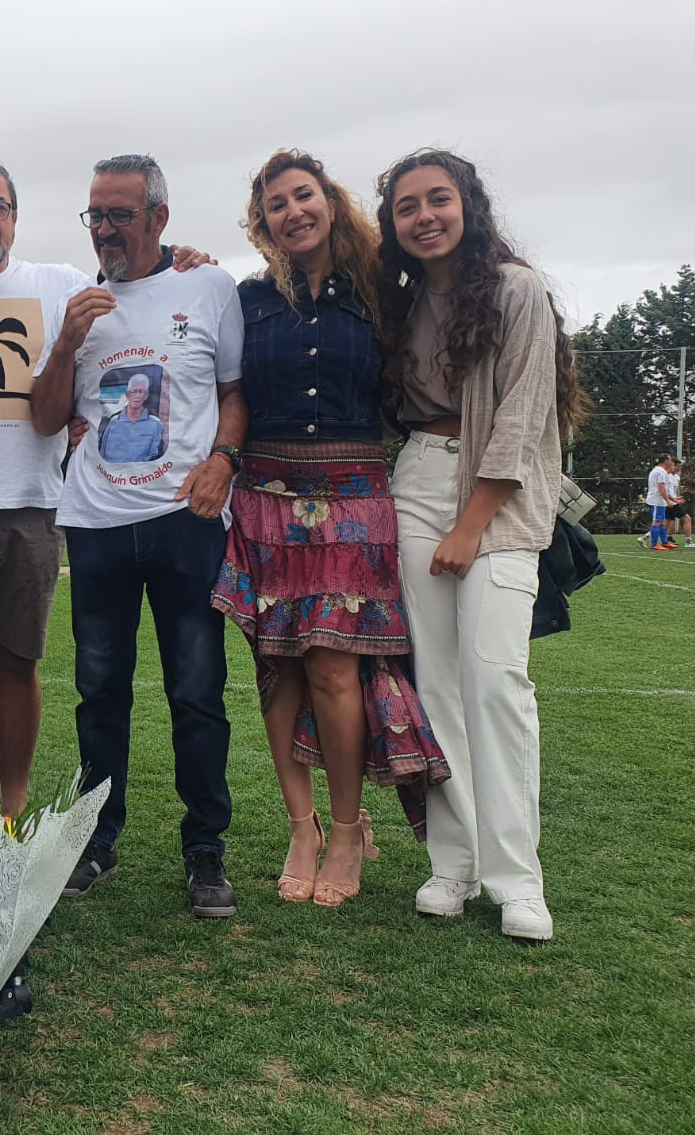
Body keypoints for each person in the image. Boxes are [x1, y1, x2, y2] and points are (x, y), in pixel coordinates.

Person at [0, 151, 214, 816]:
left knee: (20, 663)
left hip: (32, 509)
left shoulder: (58, 282)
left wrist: (184, 260)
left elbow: (139, 287)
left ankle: (13, 802)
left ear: (16, 216)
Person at [212, 149, 444, 907]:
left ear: (330, 203)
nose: (293, 212)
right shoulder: (246, 302)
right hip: (265, 494)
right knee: (278, 667)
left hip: (354, 494)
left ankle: (348, 829)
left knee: (336, 666)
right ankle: (301, 826)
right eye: (276, 204)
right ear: (263, 222)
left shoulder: (386, 292)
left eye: (302, 196)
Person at [374, 148, 590, 942]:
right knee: (435, 686)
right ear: (393, 225)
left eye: (439, 200)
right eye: (407, 207)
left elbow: (526, 413)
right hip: (417, 480)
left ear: (469, 205)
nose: (425, 216)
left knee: (497, 681)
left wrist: (471, 526)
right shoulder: (397, 302)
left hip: (500, 496)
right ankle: (453, 863)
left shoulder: (517, 289)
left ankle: (516, 879)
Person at [32, 154, 246, 919]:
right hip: (93, 524)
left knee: (197, 690)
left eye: (120, 213)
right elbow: (46, 417)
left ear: (159, 216)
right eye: (95, 214)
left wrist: (223, 459)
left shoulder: (210, 286)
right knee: (99, 693)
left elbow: (232, 394)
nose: (105, 229)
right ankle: (96, 840)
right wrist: (63, 345)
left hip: (186, 522)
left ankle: (205, 850)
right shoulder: (72, 299)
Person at [97, 371, 165, 461]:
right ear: (127, 395)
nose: (137, 395)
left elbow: (154, 457)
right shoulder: (113, 421)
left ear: (146, 395)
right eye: (133, 391)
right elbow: (102, 454)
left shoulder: (156, 424)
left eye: (140, 392)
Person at [645, 452, 677, 550]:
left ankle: (664, 542)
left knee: (662, 521)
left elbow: (664, 489)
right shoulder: (660, 472)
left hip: (660, 501)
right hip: (657, 501)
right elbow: (661, 488)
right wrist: (668, 500)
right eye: (670, 460)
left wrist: (673, 499)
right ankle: (654, 544)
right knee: (657, 522)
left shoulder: (659, 471)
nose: (671, 462)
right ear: (666, 461)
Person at [666, 458, 695, 547]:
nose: (679, 468)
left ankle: (665, 539)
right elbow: (665, 492)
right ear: (672, 465)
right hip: (669, 503)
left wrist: (677, 498)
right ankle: (688, 542)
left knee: (667, 522)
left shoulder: (676, 477)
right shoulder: (666, 476)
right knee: (687, 519)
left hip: (672, 502)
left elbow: (672, 491)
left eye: (681, 466)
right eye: (678, 466)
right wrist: (674, 500)